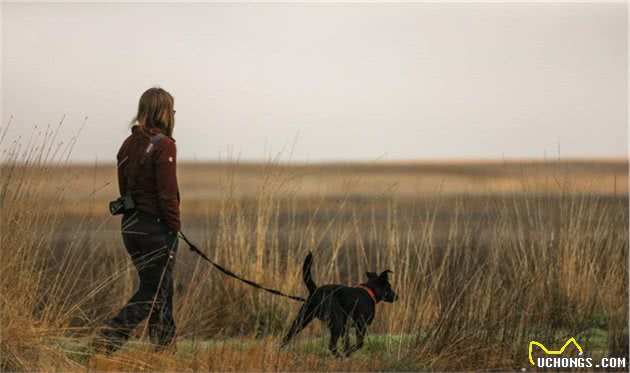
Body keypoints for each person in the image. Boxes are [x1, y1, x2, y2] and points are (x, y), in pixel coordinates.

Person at [94, 87, 181, 354]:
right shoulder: (165, 145)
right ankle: (108, 339)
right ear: (163, 112)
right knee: (154, 292)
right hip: (156, 229)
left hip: (131, 227)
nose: (174, 114)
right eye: (172, 109)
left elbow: (124, 191)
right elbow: (167, 196)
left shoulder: (127, 144)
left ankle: (164, 351)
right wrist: (174, 227)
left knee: (159, 288)